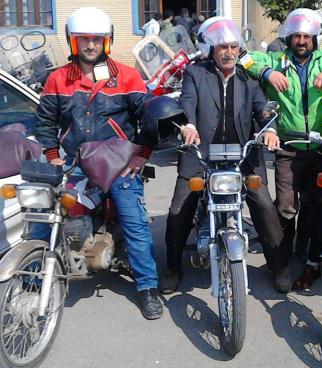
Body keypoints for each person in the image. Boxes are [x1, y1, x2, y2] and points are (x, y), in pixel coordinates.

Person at [34, 7, 163, 319]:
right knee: (48, 215)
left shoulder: (127, 76)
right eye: (83, 40)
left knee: (134, 223)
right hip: (78, 164)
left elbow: (149, 117)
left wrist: (142, 154)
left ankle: (147, 287)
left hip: (119, 166)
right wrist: (53, 158)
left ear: (106, 42)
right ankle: (34, 273)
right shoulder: (58, 79)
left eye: (96, 39)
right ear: (73, 42)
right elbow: (44, 123)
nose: (90, 45)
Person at [161, 17, 287, 293]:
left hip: (242, 156)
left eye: (233, 46)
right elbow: (188, 102)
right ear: (211, 49)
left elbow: (262, 108)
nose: (229, 52)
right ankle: (172, 268)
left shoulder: (247, 77)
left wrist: (269, 128)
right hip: (201, 153)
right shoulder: (196, 73)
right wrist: (189, 125)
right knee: (179, 208)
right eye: (222, 47)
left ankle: (279, 267)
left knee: (264, 204)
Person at [242, 8, 322, 290]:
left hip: (321, 146)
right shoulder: (276, 59)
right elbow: (243, 58)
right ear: (289, 38)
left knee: (317, 202)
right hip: (288, 145)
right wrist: (267, 71)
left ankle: (306, 249)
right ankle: (282, 254)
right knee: (285, 204)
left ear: (315, 38)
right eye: (297, 36)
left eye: (307, 36)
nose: (302, 41)